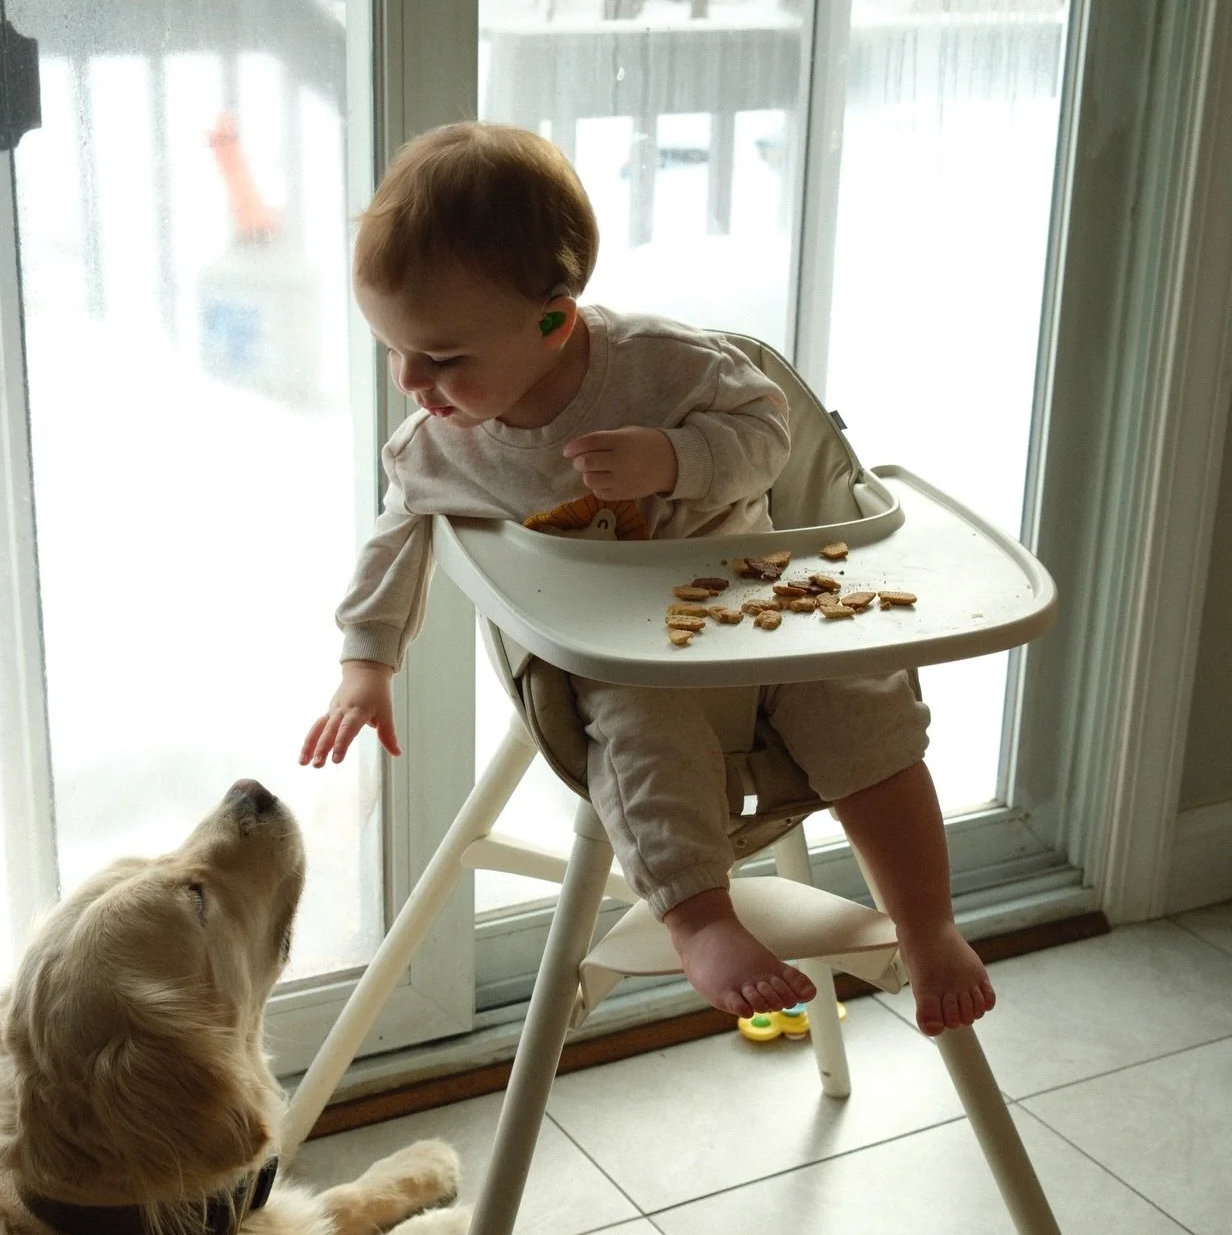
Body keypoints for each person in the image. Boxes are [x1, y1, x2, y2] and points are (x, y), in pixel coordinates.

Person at [301, 123, 994, 1037]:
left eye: (441, 357)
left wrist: (676, 459)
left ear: (552, 321)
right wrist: (367, 661)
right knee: (639, 738)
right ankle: (702, 920)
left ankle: (926, 924)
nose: (412, 382)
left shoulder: (666, 365)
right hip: (624, 651)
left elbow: (769, 436)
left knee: (866, 712)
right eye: (394, 352)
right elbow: (401, 535)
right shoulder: (442, 444)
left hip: (759, 599)